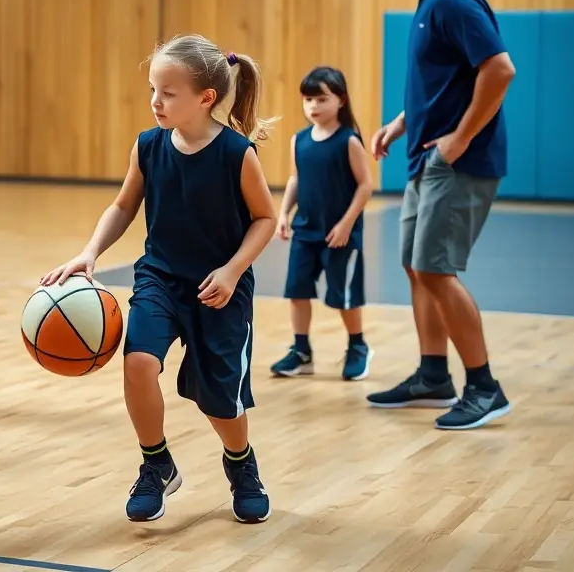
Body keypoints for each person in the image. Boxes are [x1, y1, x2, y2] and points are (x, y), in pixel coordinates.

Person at [41, 34, 277, 524]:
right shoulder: (148, 146)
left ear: (205, 98)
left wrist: (233, 270)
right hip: (159, 279)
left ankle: (241, 463)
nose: (155, 101)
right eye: (153, 89)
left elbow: (265, 220)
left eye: (168, 92)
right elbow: (125, 205)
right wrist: (90, 252)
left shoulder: (237, 153)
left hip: (219, 290)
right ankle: (156, 464)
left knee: (219, 401)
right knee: (139, 364)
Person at [369, 0, 515, 430]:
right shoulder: (431, 2)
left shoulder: (452, 0)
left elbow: (499, 69)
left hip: (458, 164)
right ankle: (434, 375)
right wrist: (402, 123)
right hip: (428, 158)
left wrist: (459, 139)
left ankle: (484, 387)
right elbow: (448, 82)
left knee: (434, 268)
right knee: (416, 264)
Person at [271, 67, 373, 381]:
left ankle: (357, 346)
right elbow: (296, 179)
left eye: (321, 99)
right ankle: (301, 351)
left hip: (339, 235)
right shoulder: (299, 140)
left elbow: (365, 185)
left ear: (340, 100)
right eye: (308, 100)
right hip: (306, 231)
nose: (313, 106)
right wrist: (284, 214)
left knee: (343, 295)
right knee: (297, 291)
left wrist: (345, 225)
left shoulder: (349, 141)